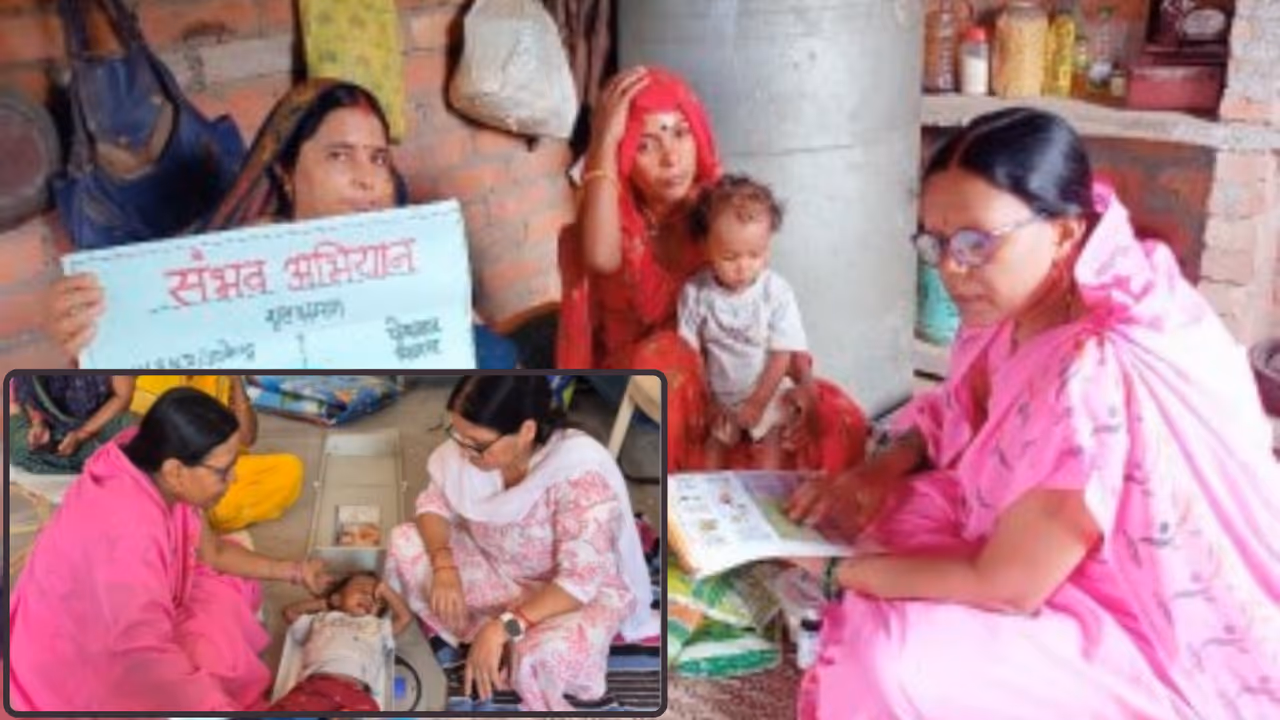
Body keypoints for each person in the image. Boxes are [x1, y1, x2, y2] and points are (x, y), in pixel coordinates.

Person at [785, 108, 1280, 719]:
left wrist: (841, 574)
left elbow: (1009, 586)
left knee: (894, 664)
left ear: (1066, 233)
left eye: (975, 243)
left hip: (1114, 602)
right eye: (934, 243)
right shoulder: (1010, 306)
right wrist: (879, 472)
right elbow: (957, 410)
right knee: (853, 509)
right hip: (1021, 536)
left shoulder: (1094, 377)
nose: (950, 270)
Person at [46, 79, 520, 369]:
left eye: (378, 159)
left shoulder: (409, 260)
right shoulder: (233, 267)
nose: (367, 180)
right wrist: (93, 340)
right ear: (286, 174)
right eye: (339, 156)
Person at [557, 66, 867, 474]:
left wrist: (802, 384)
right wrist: (602, 141)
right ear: (622, 154)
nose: (671, 158)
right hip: (651, 367)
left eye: (681, 133)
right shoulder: (616, 216)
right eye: (645, 144)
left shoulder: (720, 209)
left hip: (733, 369)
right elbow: (598, 257)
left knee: (836, 418)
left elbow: (770, 310)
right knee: (667, 357)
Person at [8, 387, 333, 712]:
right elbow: (142, 657)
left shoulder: (152, 463)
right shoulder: (128, 535)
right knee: (211, 672)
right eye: (223, 471)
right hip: (82, 661)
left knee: (229, 588)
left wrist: (295, 571)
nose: (233, 479)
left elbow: (214, 554)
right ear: (176, 471)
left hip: (135, 619)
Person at [383, 375, 656, 712]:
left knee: (541, 658)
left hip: (569, 595)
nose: (464, 451)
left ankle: (497, 636)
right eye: (457, 435)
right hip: (498, 568)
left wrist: (504, 627)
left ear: (526, 431)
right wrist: (444, 565)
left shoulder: (579, 473)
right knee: (405, 543)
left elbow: (578, 583)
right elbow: (432, 505)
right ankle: (491, 635)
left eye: (477, 443)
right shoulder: (468, 451)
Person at [679, 174, 807, 469]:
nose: (743, 266)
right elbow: (690, 355)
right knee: (713, 441)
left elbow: (781, 355)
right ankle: (708, 495)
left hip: (767, 387)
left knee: (774, 431)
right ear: (706, 249)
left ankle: (767, 491)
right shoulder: (696, 293)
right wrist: (709, 402)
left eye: (755, 255)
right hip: (720, 392)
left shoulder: (776, 291)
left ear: (768, 247)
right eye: (729, 256)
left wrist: (758, 402)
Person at [129, 375, 303, 533]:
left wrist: (236, 382)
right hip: (183, 479)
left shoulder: (218, 374)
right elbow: (157, 463)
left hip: (221, 468)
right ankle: (196, 521)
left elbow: (246, 438)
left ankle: (200, 521)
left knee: (290, 469)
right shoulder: (152, 381)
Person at [267, 571, 413, 712]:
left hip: (356, 692)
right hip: (316, 685)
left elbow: (404, 618)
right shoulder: (322, 619)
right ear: (337, 599)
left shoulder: (377, 626)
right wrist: (322, 604)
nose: (369, 596)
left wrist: (387, 591)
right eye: (361, 589)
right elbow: (289, 612)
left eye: (377, 598)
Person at [7, 375, 135, 474]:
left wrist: (82, 434)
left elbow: (122, 396)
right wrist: (38, 423)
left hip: (100, 423)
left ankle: (100, 460)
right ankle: (102, 462)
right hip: (54, 425)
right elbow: (30, 390)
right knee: (20, 448)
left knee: (132, 428)